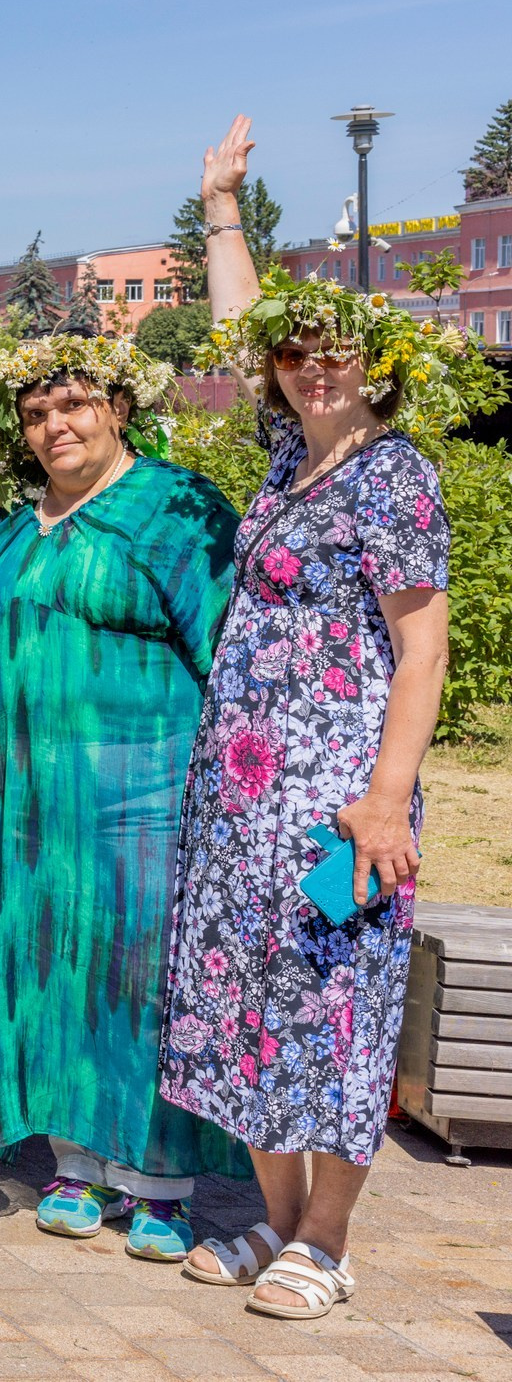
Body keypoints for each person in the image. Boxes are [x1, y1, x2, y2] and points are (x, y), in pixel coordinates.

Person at [160, 118, 460, 1318]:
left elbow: (422, 646)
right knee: (244, 998)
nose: (308, 369)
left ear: (371, 366)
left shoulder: (394, 475)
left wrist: (385, 795)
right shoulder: (290, 460)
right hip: (240, 789)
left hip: (337, 791)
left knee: (331, 1008)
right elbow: (243, 330)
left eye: (332, 357)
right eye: (296, 357)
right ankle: (274, 1224)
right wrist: (223, 207)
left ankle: (324, 1241)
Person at [0, 332, 247, 1263]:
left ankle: (162, 1180)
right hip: (22, 811)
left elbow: (232, 656)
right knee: (45, 967)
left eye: (75, 405)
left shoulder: (175, 508)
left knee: (135, 975)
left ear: (120, 408)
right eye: (37, 412)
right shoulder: (10, 531)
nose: (56, 425)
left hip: (141, 799)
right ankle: (78, 1162)